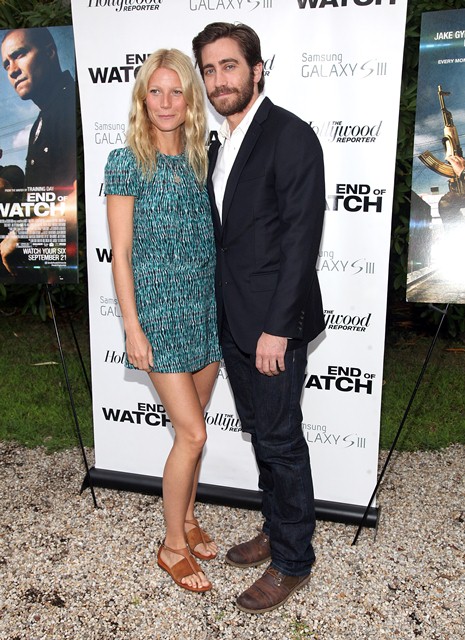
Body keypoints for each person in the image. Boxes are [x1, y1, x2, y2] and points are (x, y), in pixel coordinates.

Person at [192, 22, 325, 613]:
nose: (219, 79)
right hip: (234, 319)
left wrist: (278, 328)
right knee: (265, 437)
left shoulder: (290, 135)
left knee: (280, 442)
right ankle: (276, 528)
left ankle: (294, 560)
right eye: (210, 69)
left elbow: (301, 241)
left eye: (230, 66)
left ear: (257, 69)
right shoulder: (220, 144)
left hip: (272, 325)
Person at [105, 49, 221, 593]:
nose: (167, 102)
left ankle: (189, 517)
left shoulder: (201, 159)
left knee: (192, 429)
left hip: (204, 314)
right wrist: (132, 326)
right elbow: (121, 254)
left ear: (190, 99)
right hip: (158, 318)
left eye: (177, 91)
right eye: (156, 91)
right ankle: (172, 546)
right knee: (193, 434)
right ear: (143, 97)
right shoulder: (126, 160)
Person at [0, 28, 77, 282]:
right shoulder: (40, 121)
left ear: (50, 52)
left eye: (19, 55)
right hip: (51, 275)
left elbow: (83, 196)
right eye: (6, 64)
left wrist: (22, 233)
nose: (12, 70)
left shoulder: (72, 104)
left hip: (76, 278)